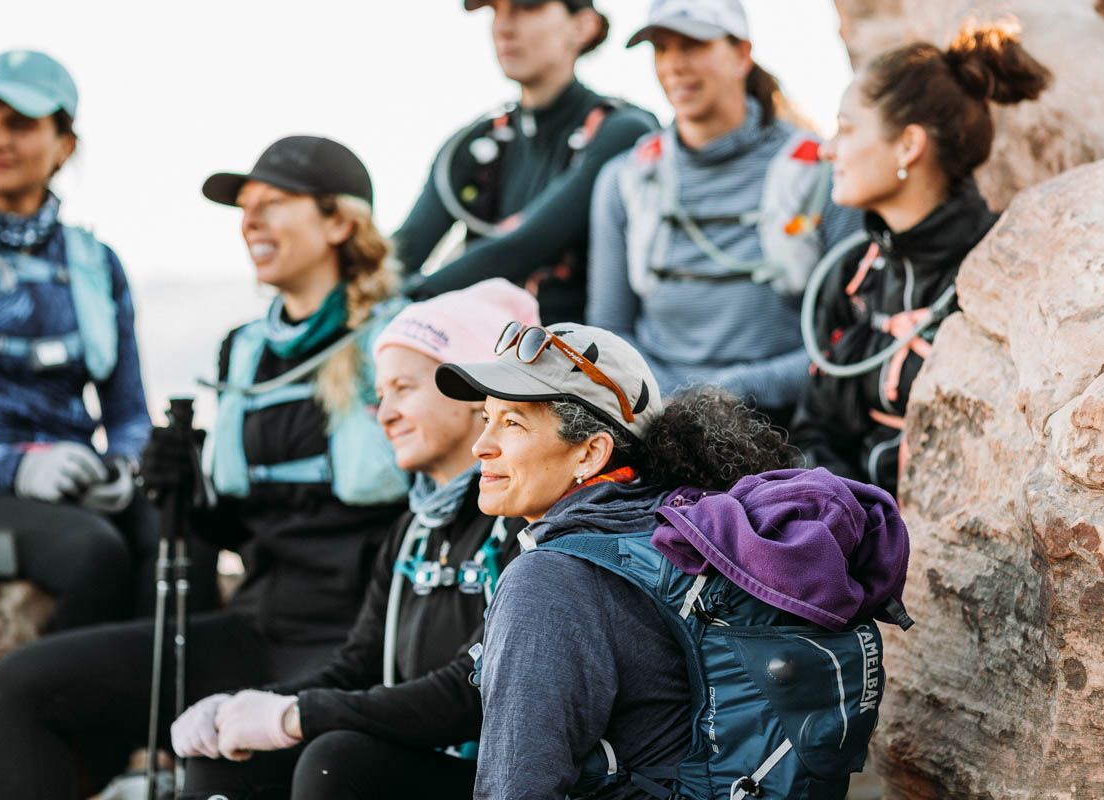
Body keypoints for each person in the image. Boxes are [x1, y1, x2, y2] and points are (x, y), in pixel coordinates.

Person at [0, 135, 409, 800]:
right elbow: (236, 533)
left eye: (273, 204)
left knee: (224, 751)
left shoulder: (400, 345)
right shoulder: (242, 352)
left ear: (337, 221)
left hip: (356, 643)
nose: (250, 221)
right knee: (25, 682)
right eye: (245, 208)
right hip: (256, 628)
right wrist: (182, 489)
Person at [434, 322, 910, 798]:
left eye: (512, 423)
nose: (481, 447)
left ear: (590, 453)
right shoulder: (680, 536)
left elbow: (517, 786)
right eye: (485, 419)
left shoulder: (549, 579)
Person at [172, 279, 537, 800]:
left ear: (474, 395)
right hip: (424, 761)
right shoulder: (412, 530)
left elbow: (472, 690)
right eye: (377, 394)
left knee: (337, 761)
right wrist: (244, 707)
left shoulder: (524, 523)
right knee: (226, 761)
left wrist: (295, 715)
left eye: (404, 390)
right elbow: (358, 665)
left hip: (502, 780)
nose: (382, 412)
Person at [0, 50, 160, 631]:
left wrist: (120, 469)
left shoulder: (99, 265)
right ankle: (60, 711)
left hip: (70, 489)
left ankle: (161, 718)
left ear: (64, 144)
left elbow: (127, 413)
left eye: (18, 123)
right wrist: (13, 469)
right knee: (92, 554)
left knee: (174, 538)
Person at [790, 22, 1051, 495]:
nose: (828, 150)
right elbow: (814, 430)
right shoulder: (854, 273)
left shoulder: (1006, 267)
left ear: (909, 145)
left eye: (846, 129)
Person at [586, 0, 860, 420]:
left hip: (784, 423)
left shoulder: (824, 173)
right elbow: (609, 332)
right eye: (661, 48)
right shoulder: (623, 180)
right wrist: (664, 404)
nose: (674, 65)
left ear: (742, 54)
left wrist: (735, 391)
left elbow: (848, 343)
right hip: (651, 419)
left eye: (693, 44)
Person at [396, 0, 658, 324]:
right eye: (496, 11)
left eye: (526, 7)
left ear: (583, 26)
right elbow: (398, 256)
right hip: (479, 358)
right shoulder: (477, 143)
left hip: (578, 359)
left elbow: (522, 247)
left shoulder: (621, 130)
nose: (504, 27)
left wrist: (409, 300)